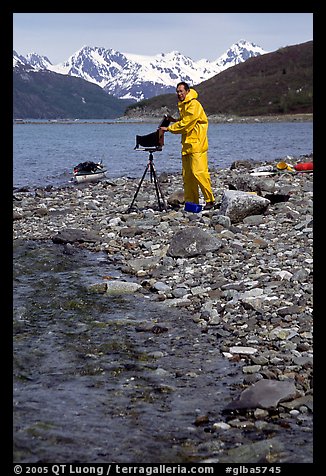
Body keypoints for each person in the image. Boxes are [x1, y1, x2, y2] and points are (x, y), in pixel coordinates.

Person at [160, 81, 215, 210]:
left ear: (187, 91)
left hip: (197, 144)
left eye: (181, 91)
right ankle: (191, 201)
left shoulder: (194, 104)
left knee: (199, 172)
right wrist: (174, 121)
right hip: (187, 144)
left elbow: (187, 123)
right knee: (188, 175)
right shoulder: (184, 105)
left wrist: (169, 129)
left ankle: (210, 200)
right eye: (177, 92)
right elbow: (184, 120)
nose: (179, 94)